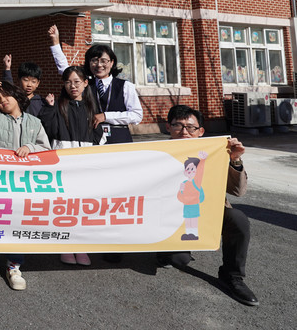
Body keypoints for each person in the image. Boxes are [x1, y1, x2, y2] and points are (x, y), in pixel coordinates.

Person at [157, 105, 259, 306]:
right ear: (168, 127)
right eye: (178, 125)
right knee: (179, 259)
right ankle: (162, 251)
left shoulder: (214, 153)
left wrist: (235, 160)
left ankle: (232, 276)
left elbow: (238, 191)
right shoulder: (156, 154)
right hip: (169, 214)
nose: (184, 132)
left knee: (238, 219)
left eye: (191, 127)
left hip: (207, 210)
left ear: (201, 131)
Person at [0, 80, 51, 290]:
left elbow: (46, 148)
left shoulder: (35, 122)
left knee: (19, 223)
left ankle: (14, 266)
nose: (2, 101)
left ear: (17, 96)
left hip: (24, 183)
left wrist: (30, 147)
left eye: (5, 96)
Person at [39, 66, 104, 267]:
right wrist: (49, 108)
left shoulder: (92, 109)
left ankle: (81, 246)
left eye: (77, 82)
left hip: (85, 166)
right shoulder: (59, 106)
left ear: (85, 83)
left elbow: (99, 137)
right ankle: (65, 245)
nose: (72, 86)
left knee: (82, 207)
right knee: (64, 206)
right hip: (63, 166)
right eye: (68, 82)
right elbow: (48, 131)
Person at [48, 25, 142, 143]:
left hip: (120, 140)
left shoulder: (125, 86)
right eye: (94, 61)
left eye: (103, 61)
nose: (99, 65)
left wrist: (106, 116)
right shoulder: (86, 84)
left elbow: (136, 115)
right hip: (92, 139)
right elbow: (65, 70)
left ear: (112, 63)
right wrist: (55, 42)